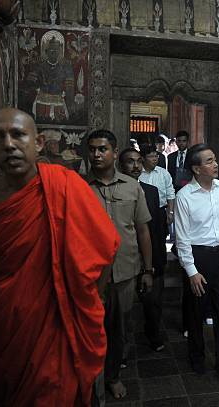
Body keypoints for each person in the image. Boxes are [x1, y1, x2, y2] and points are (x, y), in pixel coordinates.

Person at [0, 108, 120, 406]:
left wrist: (94, 298)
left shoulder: (67, 185)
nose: (8, 144)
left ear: (38, 143)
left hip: (59, 320)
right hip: (6, 319)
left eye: (18, 134)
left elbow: (106, 245)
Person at [85, 130, 154, 400]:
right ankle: (91, 381)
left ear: (114, 152)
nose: (96, 154)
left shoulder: (131, 186)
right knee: (90, 331)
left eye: (102, 149)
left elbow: (143, 231)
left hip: (125, 273)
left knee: (119, 330)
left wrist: (148, 271)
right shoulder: (80, 187)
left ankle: (112, 376)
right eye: (92, 149)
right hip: (89, 277)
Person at [174, 143, 219, 386]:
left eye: (215, 160)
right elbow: (181, 237)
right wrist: (191, 271)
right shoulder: (184, 197)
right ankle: (196, 357)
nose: (216, 165)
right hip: (197, 258)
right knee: (195, 312)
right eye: (210, 161)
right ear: (196, 169)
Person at [119, 147, 167, 352]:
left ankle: (153, 335)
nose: (136, 166)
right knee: (122, 310)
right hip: (125, 256)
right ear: (121, 165)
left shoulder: (151, 191)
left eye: (139, 161)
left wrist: (157, 260)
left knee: (152, 303)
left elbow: (157, 227)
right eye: (130, 162)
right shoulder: (113, 191)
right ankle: (121, 347)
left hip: (150, 257)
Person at [138, 144, 176, 229]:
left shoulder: (163, 173)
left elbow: (170, 194)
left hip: (160, 212)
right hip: (142, 212)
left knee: (160, 239)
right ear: (143, 158)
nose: (154, 159)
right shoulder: (138, 174)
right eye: (151, 156)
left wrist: (170, 212)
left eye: (156, 156)